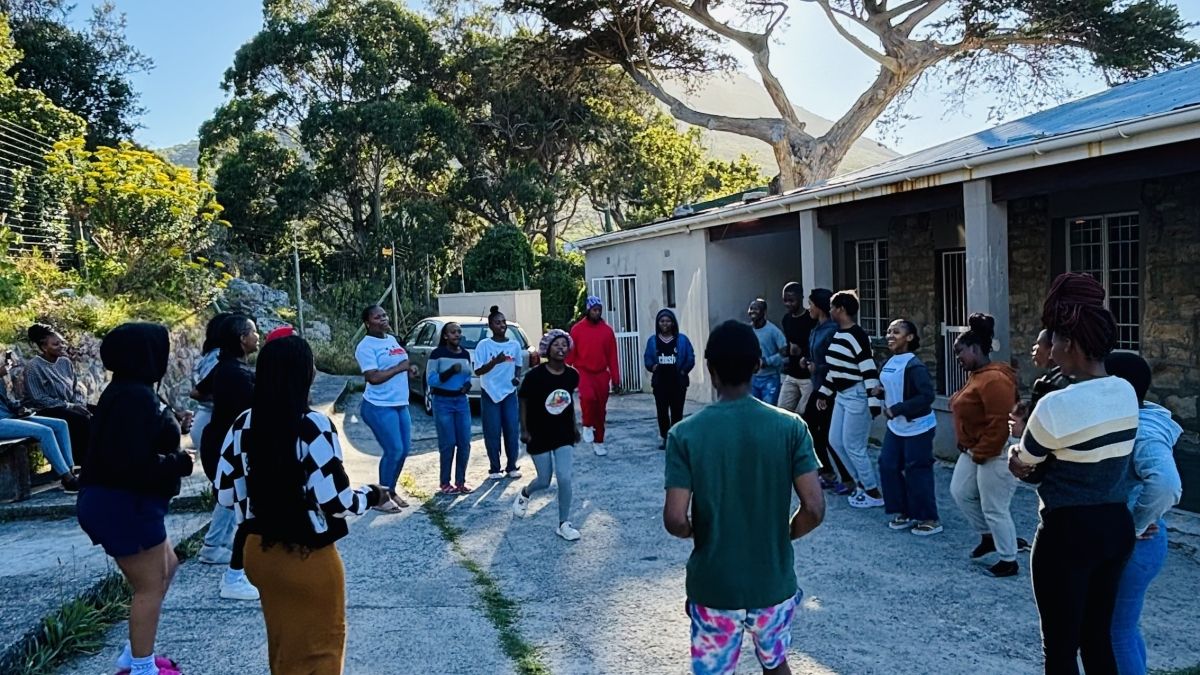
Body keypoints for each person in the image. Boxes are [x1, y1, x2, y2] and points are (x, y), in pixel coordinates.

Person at [214, 334, 393, 674]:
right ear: (304, 374)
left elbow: (224, 492)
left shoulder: (242, 424)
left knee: (284, 650)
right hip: (307, 557)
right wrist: (372, 494)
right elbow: (334, 500)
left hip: (258, 553)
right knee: (320, 653)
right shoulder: (313, 426)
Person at [663, 320, 825, 675]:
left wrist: (697, 531)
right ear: (757, 365)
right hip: (773, 581)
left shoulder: (684, 434)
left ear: (709, 367)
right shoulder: (791, 428)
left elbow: (675, 519)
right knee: (776, 664)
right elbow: (813, 508)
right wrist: (785, 533)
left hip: (714, 584)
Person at [1009, 273, 1139, 674]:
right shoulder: (1126, 390)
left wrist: (1017, 453)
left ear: (1071, 344)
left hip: (1067, 531)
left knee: (1061, 648)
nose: (1051, 348)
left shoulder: (1055, 405)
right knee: (1097, 638)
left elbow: (1025, 463)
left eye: (1055, 339)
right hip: (1117, 525)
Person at [76, 323, 192, 675]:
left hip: (123, 501)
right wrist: (179, 463)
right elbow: (131, 463)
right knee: (150, 585)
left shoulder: (129, 390)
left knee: (167, 567)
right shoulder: (134, 397)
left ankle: (135, 653)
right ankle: (141, 668)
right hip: (122, 503)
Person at [1104, 352, 1182, 675]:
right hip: (1142, 542)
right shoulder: (1136, 415)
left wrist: (1135, 524)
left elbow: (1167, 484)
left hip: (1138, 543)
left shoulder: (1144, 430)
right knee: (1124, 627)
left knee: (1115, 632)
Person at [949, 312, 1026, 578]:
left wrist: (983, 452)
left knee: (994, 506)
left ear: (975, 348)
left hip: (995, 451)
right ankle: (990, 537)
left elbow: (1000, 423)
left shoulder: (994, 379)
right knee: (960, 492)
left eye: (960, 352)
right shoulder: (980, 374)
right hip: (975, 449)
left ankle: (1008, 559)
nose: (958, 358)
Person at [198, 314, 260, 601]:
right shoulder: (236, 373)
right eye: (253, 332)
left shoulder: (227, 367)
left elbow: (199, 390)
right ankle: (216, 549)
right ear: (241, 339)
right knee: (235, 495)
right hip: (228, 443)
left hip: (221, 440)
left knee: (231, 495)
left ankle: (216, 545)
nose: (257, 336)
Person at [815, 291, 884, 508]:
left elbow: (868, 367)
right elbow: (835, 369)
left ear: (842, 310)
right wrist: (824, 393)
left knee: (854, 446)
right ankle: (860, 484)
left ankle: (873, 492)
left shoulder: (857, 334)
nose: (831, 311)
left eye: (833, 307)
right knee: (835, 441)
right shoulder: (839, 333)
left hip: (857, 395)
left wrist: (874, 403)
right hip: (843, 395)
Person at [513, 329, 582, 541]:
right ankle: (525, 493)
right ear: (547, 348)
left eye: (564, 345)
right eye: (556, 344)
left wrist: (574, 426)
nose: (561, 348)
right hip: (538, 432)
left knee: (564, 477)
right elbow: (523, 401)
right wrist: (524, 430)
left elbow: (568, 403)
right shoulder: (534, 376)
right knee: (544, 480)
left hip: (563, 433)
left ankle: (564, 523)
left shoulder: (572, 375)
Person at [874, 319, 941, 535]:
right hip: (897, 427)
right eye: (888, 331)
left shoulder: (915, 365)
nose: (890, 335)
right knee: (887, 465)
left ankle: (929, 518)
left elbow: (926, 396)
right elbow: (896, 387)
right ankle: (903, 511)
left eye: (896, 332)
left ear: (909, 338)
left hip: (918, 426)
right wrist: (881, 392)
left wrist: (898, 408)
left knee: (916, 469)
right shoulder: (890, 361)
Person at [354, 305, 416, 508]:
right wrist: (400, 368)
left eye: (384, 315)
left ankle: (390, 490)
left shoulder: (391, 340)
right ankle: (381, 498)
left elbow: (403, 364)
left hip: (399, 403)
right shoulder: (365, 346)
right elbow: (372, 377)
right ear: (367, 323)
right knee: (394, 450)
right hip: (379, 406)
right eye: (377, 317)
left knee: (404, 450)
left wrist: (409, 370)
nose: (383, 319)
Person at [803, 288, 855, 495]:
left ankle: (848, 478)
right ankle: (828, 472)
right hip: (818, 386)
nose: (809, 308)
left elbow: (841, 361)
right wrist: (808, 362)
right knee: (809, 427)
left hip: (831, 388)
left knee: (828, 434)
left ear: (820, 306)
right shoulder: (816, 329)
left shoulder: (833, 331)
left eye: (811, 304)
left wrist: (820, 367)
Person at [0, 358, 78, 493]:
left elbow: (7, 401)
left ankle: (70, 471)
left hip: (9, 417)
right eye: (2, 365)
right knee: (45, 431)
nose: (5, 368)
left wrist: (20, 409)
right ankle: (68, 478)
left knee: (60, 424)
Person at [23, 323, 92, 462]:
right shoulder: (34, 367)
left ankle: (106, 457)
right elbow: (38, 398)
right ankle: (81, 462)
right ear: (44, 347)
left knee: (101, 412)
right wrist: (70, 407)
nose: (61, 346)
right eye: (56, 344)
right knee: (80, 420)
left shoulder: (65, 362)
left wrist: (78, 405)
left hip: (68, 405)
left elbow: (75, 387)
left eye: (61, 343)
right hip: (46, 410)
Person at [474, 306, 524, 481]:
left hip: (509, 393)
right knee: (492, 431)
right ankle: (494, 468)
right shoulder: (484, 345)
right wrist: (495, 362)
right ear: (490, 326)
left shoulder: (514, 345)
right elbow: (478, 370)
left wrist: (516, 378)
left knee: (511, 429)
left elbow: (518, 365)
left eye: (503, 322)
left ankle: (512, 466)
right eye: (498, 322)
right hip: (490, 393)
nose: (502, 325)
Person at [568, 296, 621, 456]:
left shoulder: (607, 331)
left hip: (601, 374)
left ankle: (599, 441)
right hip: (583, 371)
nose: (597, 313)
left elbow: (612, 356)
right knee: (588, 398)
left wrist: (616, 378)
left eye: (599, 310)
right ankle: (586, 424)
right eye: (594, 310)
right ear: (588, 310)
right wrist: (563, 369)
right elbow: (571, 353)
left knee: (600, 410)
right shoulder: (577, 329)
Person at [428, 322, 474, 495]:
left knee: (464, 443)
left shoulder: (465, 353)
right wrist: (449, 372)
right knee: (448, 444)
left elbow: (468, 376)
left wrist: (467, 385)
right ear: (445, 336)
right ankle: (445, 483)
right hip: (443, 401)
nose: (457, 335)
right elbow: (431, 380)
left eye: (459, 332)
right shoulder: (437, 354)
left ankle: (460, 482)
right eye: (453, 332)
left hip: (461, 401)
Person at [643, 308, 695, 449]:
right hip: (660, 383)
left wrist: (683, 371)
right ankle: (665, 437)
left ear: (673, 323)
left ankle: (676, 438)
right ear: (658, 323)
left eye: (668, 321)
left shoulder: (682, 340)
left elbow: (691, 357)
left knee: (677, 411)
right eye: (662, 321)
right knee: (662, 412)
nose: (665, 324)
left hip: (678, 382)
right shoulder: (653, 341)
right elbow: (647, 358)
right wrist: (652, 366)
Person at [779, 282, 817, 416]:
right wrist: (787, 350)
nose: (788, 304)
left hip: (808, 378)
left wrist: (804, 353)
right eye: (785, 300)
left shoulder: (811, 319)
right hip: (791, 374)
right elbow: (789, 344)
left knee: (803, 413)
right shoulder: (786, 319)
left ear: (801, 298)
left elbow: (817, 346)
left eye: (791, 300)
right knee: (782, 412)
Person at [747, 298, 787, 406]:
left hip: (770, 379)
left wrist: (767, 361)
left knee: (768, 410)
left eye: (756, 309)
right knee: (753, 411)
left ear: (764, 312)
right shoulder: (747, 330)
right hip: (752, 379)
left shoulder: (773, 331)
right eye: (751, 308)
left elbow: (785, 354)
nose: (752, 311)